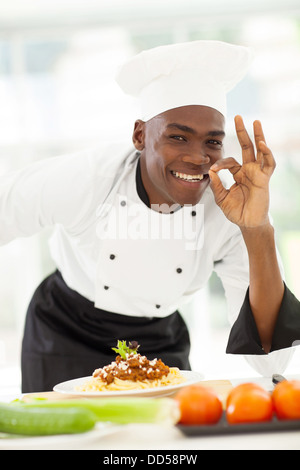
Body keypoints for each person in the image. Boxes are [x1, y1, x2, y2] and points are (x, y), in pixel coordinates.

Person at [1, 40, 299, 393]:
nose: (197, 157)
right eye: (178, 137)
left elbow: (269, 357)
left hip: (158, 341)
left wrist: (258, 228)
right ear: (140, 135)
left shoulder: (231, 209)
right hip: (65, 333)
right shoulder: (88, 179)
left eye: (212, 142)